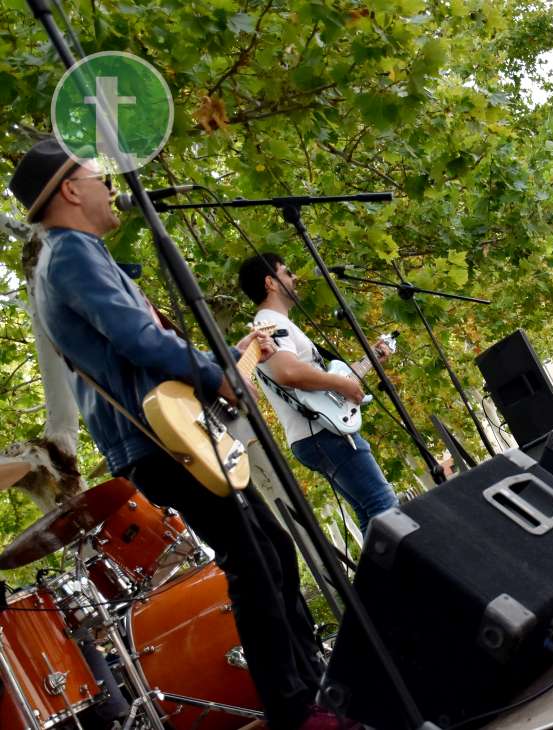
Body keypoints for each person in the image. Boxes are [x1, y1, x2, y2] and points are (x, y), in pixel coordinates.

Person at [11, 139, 336, 730]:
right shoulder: (72, 254)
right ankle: (296, 709)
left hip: (161, 435)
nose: (112, 186)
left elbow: (135, 345)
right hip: (156, 440)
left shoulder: (71, 256)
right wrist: (218, 376)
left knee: (269, 549)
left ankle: (311, 692)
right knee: (255, 560)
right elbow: (139, 340)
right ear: (69, 189)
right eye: (98, 175)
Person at [238, 253, 399, 529]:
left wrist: (370, 359)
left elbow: (307, 375)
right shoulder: (270, 323)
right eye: (287, 272)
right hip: (323, 432)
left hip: (314, 433)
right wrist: (344, 384)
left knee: (370, 515)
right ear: (271, 282)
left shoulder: (275, 323)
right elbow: (288, 373)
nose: (295, 277)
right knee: (385, 506)